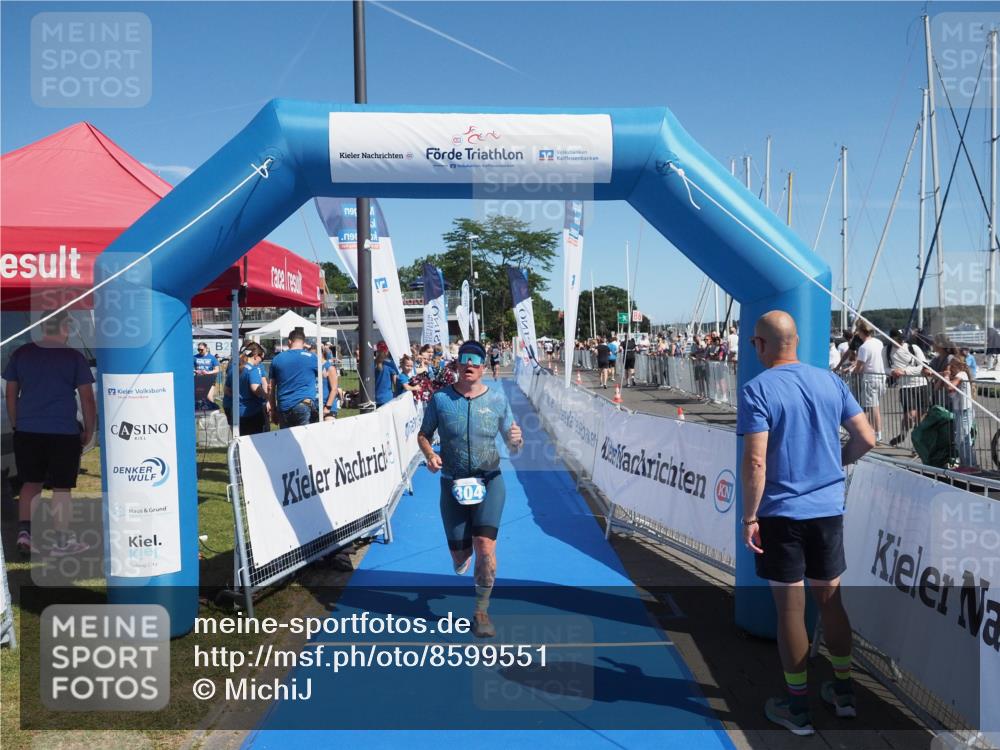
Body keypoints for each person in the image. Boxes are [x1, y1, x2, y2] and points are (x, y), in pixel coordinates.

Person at [738, 311, 875, 736]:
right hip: (827, 509)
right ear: (795, 341)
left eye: (754, 344)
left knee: (790, 610)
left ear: (761, 345)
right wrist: (835, 464)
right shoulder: (830, 382)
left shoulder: (757, 389)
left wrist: (749, 516)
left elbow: (756, 461)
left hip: (781, 513)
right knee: (831, 602)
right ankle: (844, 692)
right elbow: (867, 438)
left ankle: (798, 709)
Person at [417, 341, 523, 638]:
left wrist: (517, 440)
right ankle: (460, 558)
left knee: (485, 546)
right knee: (460, 556)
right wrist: (430, 454)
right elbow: (423, 434)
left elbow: (514, 445)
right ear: (457, 364)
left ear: (483, 367)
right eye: (465, 359)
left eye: (476, 361)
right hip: (452, 482)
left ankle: (481, 611)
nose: (470, 365)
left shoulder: (498, 399)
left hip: (490, 480)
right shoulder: (440, 399)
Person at [3, 312, 96, 558]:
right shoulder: (74, 357)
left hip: (27, 431)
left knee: (30, 483)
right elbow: (87, 398)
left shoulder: (21, 354)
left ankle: (25, 534)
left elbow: (11, 393)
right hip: (63, 432)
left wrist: (16, 423)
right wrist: (89, 429)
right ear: (64, 327)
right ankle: (62, 541)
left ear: (43, 327)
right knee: (61, 488)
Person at [268, 328, 320, 427]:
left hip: (284, 406)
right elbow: (325, 374)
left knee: (286, 436)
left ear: (289, 341)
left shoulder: (277, 359)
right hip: (303, 404)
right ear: (303, 342)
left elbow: (271, 387)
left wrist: (273, 410)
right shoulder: (312, 357)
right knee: (304, 436)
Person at [887, 329, 928, 447]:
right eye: (898, 339)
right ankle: (903, 434)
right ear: (891, 339)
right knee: (910, 415)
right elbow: (884, 368)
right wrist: (892, 371)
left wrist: (905, 371)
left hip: (921, 383)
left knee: (921, 417)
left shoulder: (913, 348)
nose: (901, 341)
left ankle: (918, 445)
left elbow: (923, 366)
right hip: (905, 386)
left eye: (902, 339)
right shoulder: (886, 350)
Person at [224, 342, 270, 435]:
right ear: (256, 356)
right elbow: (255, 388)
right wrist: (267, 396)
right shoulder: (253, 370)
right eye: (261, 358)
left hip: (237, 412)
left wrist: (240, 396)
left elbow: (226, 390)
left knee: (240, 440)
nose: (261, 361)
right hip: (252, 412)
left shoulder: (234, 369)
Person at [851, 321, 885, 443]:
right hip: (881, 377)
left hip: (870, 379)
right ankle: (877, 433)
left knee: (867, 408)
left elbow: (859, 366)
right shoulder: (879, 342)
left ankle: (862, 433)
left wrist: (853, 373)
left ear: (861, 332)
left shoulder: (864, 347)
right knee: (875, 407)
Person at [945, 357, 976, 467]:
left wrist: (946, 375)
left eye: (951, 367)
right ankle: (966, 464)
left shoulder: (962, 374)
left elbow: (950, 387)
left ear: (956, 366)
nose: (950, 370)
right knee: (960, 439)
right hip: (959, 410)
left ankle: (969, 465)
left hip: (965, 411)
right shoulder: (957, 376)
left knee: (963, 439)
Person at [321, 351, 340, 421]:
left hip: (328, 407)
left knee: (329, 424)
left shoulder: (329, 367)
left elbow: (334, 389)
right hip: (315, 406)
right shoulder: (313, 367)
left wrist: (327, 407)